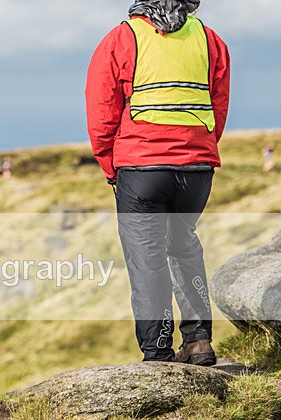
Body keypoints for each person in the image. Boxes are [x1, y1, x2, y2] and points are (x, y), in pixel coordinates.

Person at [85, 1, 230, 365]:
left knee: (148, 260)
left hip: (141, 169)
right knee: (185, 248)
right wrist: (200, 150)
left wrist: (110, 166)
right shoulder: (210, 40)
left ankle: (158, 352)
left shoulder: (121, 38)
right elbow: (218, 104)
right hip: (196, 169)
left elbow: (101, 111)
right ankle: (198, 342)